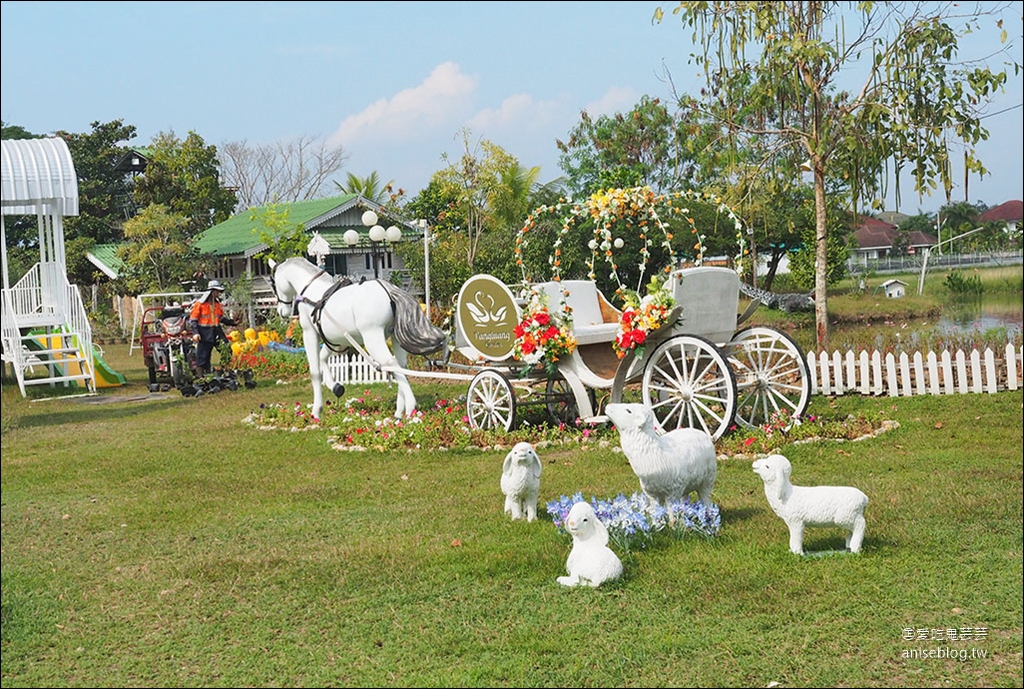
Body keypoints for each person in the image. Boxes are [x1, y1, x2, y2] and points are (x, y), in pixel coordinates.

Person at [189, 280, 236, 375]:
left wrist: (233, 323)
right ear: (211, 291)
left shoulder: (217, 304)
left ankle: (224, 372)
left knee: (226, 350)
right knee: (203, 357)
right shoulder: (200, 304)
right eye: (217, 291)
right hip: (204, 333)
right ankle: (201, 378)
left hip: (217, 332)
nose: (218, 293)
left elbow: (221, 318)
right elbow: (193, 320)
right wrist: (196, 333)